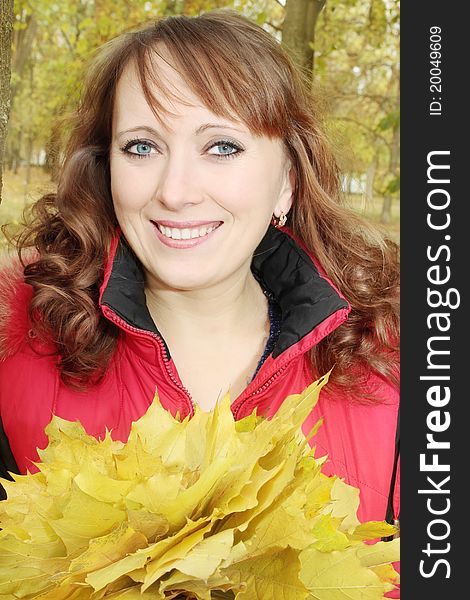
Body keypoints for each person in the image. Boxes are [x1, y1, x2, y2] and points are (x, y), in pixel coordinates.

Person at [0, 10, 399, 528]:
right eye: (142, 147)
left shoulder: (396, 363)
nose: (174, 191)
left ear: (287, 181)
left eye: (222, 147)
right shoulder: (15, 347)